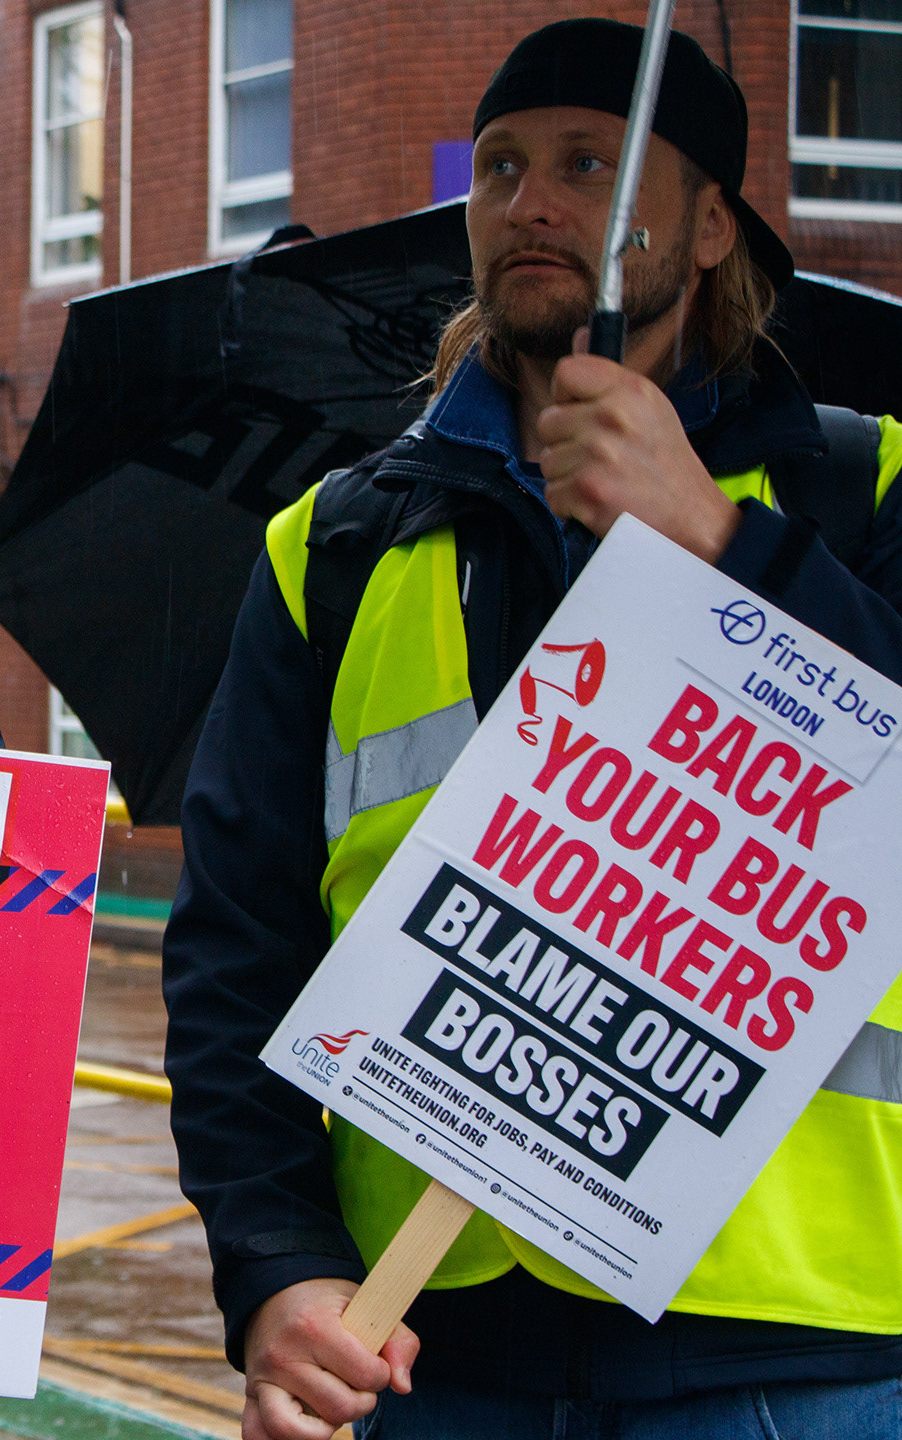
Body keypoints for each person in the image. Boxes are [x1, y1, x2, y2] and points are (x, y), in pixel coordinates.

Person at [164, 19, 902, 1440]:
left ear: (704, 230)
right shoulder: (332, 546)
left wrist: (722, 542)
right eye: (499, 166)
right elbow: (234, 955)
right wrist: (274, 1271)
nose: (534, 202)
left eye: (590, 163)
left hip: (796, 1354)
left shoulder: (868, 494)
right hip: (440, 1350)